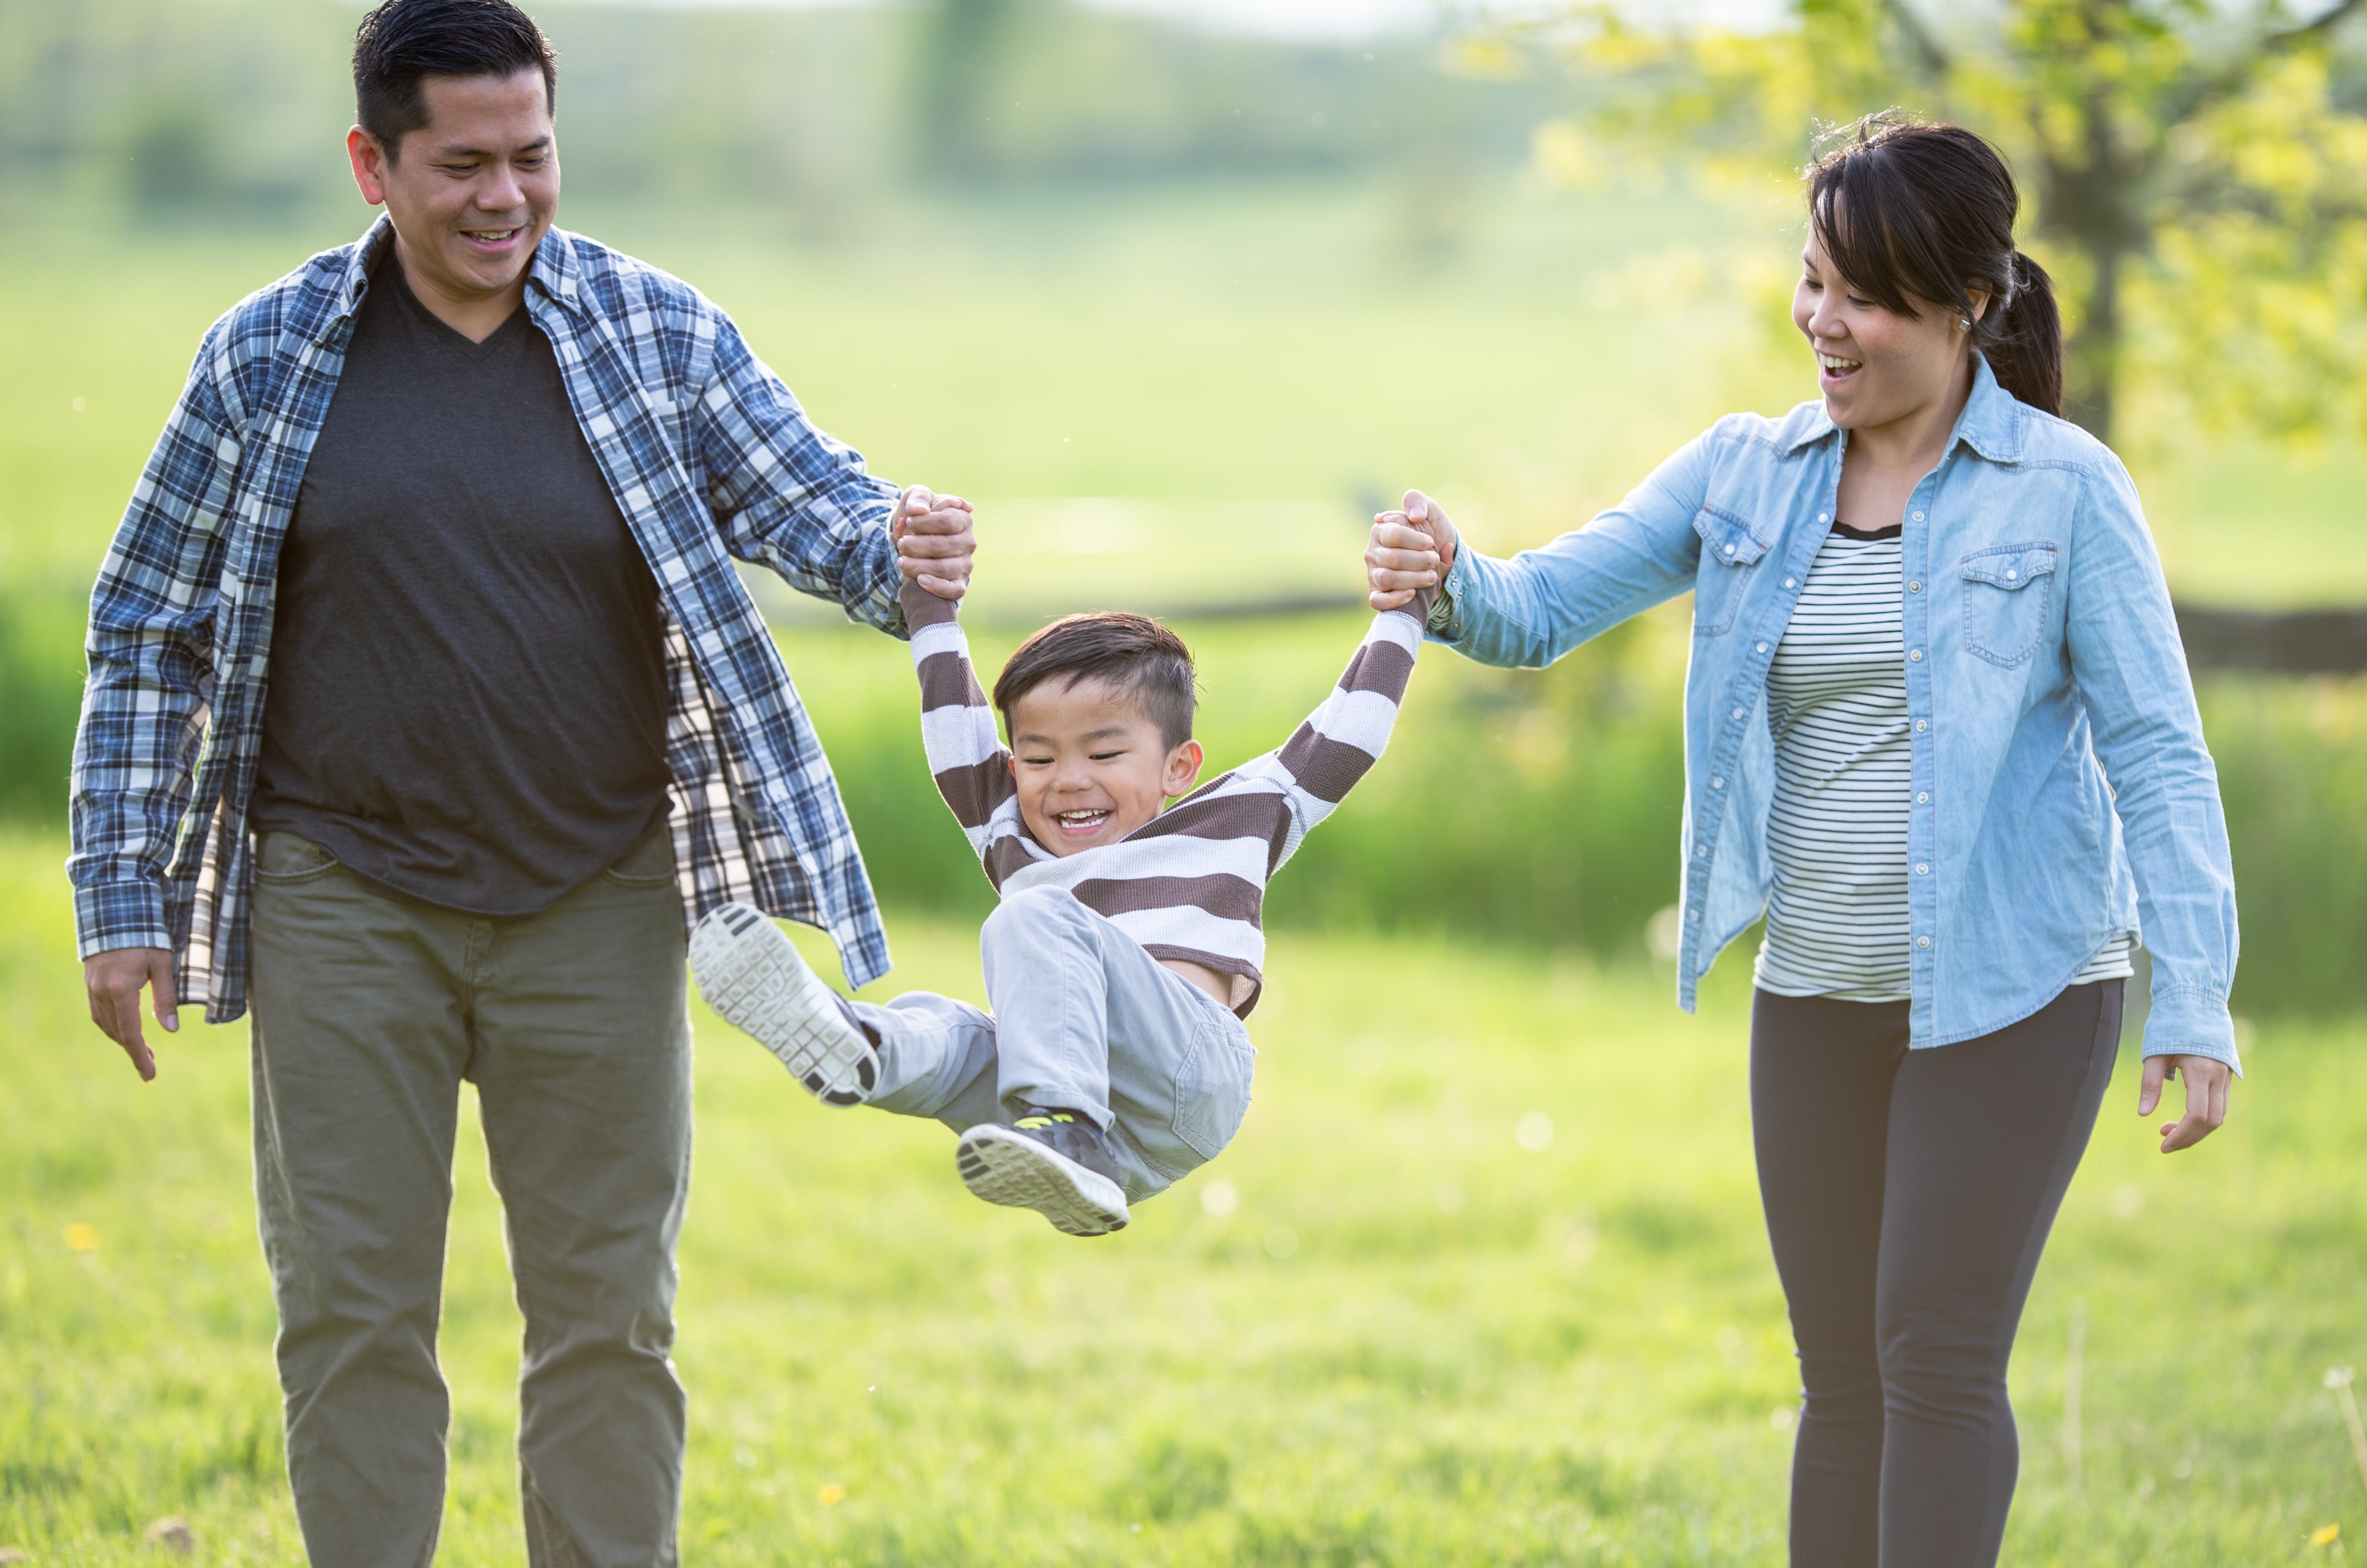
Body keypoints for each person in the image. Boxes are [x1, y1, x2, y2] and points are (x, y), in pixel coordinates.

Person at [68, 2, 974, 1562]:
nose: (506, 197)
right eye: (463, 164)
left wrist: (899, 547)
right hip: (345, 902)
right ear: (374, 163)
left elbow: (813, 502)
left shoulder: (656, 329)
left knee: (611, 1321)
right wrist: (119, 895)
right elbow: (147, 622)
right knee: (351, 1317)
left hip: (602, 902)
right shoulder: (268, 356)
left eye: (534, 157)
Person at [1364, 112, 2238, 1568]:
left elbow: (2157, 751)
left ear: (1965, 307)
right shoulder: (1743, 474)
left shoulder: (2066, 491)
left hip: (2018, 990)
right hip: (1817, 989)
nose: (1822, 323)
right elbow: (1535, 611)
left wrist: (2195, 1000)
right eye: (1814, 279)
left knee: (1933, 1354)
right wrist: (1445, 572)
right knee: (1841, 1377)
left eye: (1866, 296)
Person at [690, 569, 1433, 1236]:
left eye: (1104, 754)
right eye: (1039, 759)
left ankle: (1067, 1128)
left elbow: (1347, 734)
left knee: (1032, 917)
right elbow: (958, 737)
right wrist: (930, 604)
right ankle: (864, 1050)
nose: (1068, 780)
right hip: (1102, 1135)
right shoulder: (1018, 834)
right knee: (955, 1030)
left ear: (1180, 765)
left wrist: (1406, 606)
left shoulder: (1234, 815)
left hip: (1185, 1070)